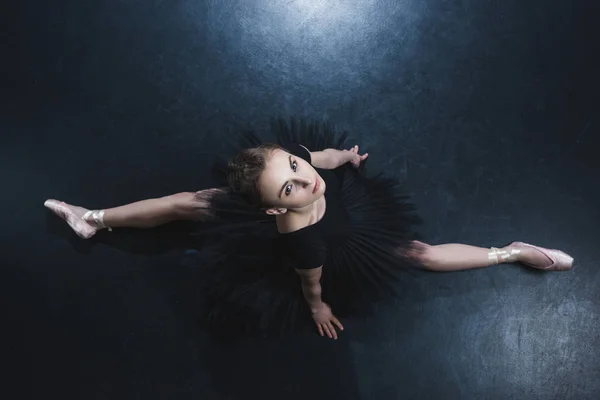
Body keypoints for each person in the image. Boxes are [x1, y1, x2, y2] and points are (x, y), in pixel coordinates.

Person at [44, 119, 574, 340]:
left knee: (420, 253)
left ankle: (510, 252)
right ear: (272, 210)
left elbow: (315, 156)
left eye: (295, 170)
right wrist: (317, 306)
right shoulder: (297, 236)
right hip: (326, 239)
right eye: (290, 187)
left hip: (350, 226)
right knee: (189, 203)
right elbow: (310, 282)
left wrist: (340, 157)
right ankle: (92, 217)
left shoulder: (305, 178)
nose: (305, 179)